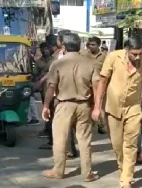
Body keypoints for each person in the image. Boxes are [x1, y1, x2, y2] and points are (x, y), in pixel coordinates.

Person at [93, 35, 142, 188]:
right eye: (134, 54)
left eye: (140, 53)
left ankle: (126, 178)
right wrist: (96, 106)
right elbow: (102, 81)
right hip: (112, 108)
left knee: (131, 144)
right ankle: (123, 168)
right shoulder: (113, 57)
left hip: (134, 108)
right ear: (127, 50)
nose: (137, 57)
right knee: (117, 144)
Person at [41, 33, 100, 182]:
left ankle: (58, 171)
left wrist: (46, 106)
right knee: (85, 141)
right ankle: (87, 173)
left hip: (64, 106)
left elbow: (51, 87)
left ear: (64, 47)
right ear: (80, 46)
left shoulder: (58, 63)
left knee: (60, 139)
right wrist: (97, 107)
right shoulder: (90, 62)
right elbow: (97, 86)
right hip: (84, 106)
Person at [81, 36, 107, 134]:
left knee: (99, 103)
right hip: (86, 84)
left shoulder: (104, 56)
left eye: (93, 44)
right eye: (89, 44)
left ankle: (101, 124)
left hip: (99, 84)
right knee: (87, 104)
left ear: (98, 45)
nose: (91, 46)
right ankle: (89, 123)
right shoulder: (83, 54)